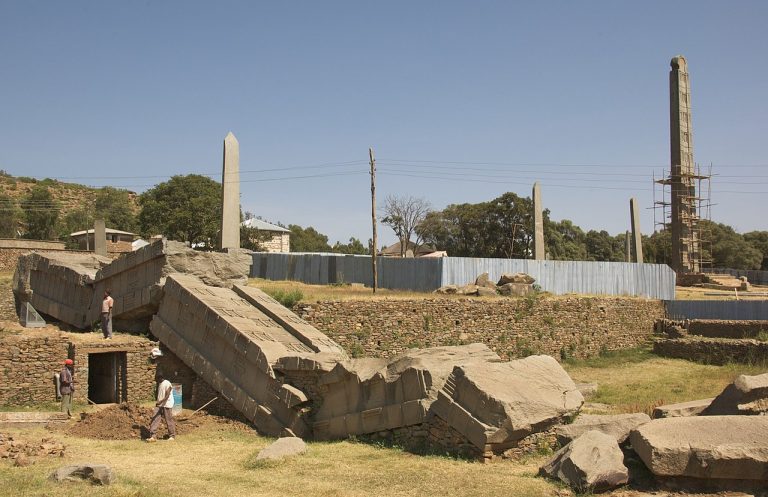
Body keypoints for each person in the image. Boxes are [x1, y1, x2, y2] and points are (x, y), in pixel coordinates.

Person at [147, 372, 176, 442]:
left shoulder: (167, 383)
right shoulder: (160, 384)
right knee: (155, 419)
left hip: (167, 404)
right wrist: (158, 402)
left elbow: (167, 395)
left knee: (168, 420)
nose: (156, 380)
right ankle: (153, 436)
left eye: (156, 379)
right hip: (159, 405)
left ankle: (172, 436)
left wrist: (160, 401)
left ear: (160, 378)